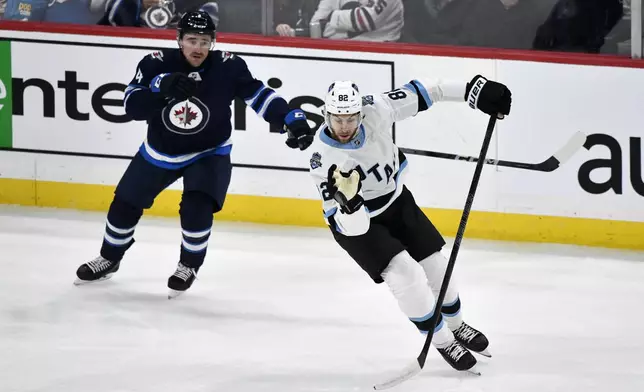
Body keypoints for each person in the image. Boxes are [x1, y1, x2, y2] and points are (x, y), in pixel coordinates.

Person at [74, 11, 315, 298]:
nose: (198, 48)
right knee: (125, 203)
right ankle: (110, 257)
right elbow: (132, 106)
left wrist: (291, 117)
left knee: (197, 207)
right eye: (191, 40)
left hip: (209, 152)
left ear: (213, 42)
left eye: (204, 41)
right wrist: (161, 89)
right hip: (160, 151)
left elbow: (259, 95)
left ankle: (188, 265)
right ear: (178, 40)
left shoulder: (229, 66)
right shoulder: (155, 64)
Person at [307, 76, 511, 372]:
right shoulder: (323, 161)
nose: (344, 127)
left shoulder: (376, 107)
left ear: (360, 113)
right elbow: (354, 229)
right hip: (356, 224)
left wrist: (473, 90)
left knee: (437, 265)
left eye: (350, 118)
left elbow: (430, 91)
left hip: (397, 202)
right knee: (405, 274)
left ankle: (456, 324)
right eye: (337, 119)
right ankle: (442, 340)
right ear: (327, 115)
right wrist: (351, 205)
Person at [276, 0, 404, 42]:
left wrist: (332, 17)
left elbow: (365, 20)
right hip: (340, 57)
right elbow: (315, 27)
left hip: (382, 59)